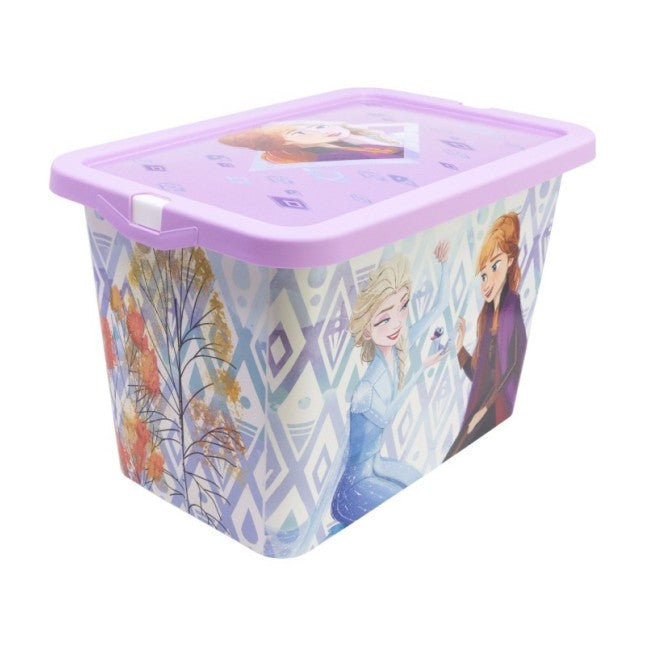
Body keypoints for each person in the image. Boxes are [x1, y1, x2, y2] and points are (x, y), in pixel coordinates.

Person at [331, 243, 450, 527]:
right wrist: (421, 369)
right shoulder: (365, 392)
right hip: (353, 490)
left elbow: (440, 305)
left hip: (378, 468)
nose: (396, 324)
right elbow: (388, 415)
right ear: (367, 329)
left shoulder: (397, 352)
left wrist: (444, 266)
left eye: (403, 307)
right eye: (384, 318)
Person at [444, 212, 528, 461]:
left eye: (495, 266)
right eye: (483, 274)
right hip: (482, 411)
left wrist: (483, 412)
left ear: (510, 260)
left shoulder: (512, 308)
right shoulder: (486, 316)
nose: (487, 281)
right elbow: (479, 375)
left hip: (498, 412)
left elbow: (512, 368)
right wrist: (460, 348)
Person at [219, 121, 404, 164]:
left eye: (318, 126)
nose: (316, 131)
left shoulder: (360, 142)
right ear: (288, 144)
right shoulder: (336, 157)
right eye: (298, 133)